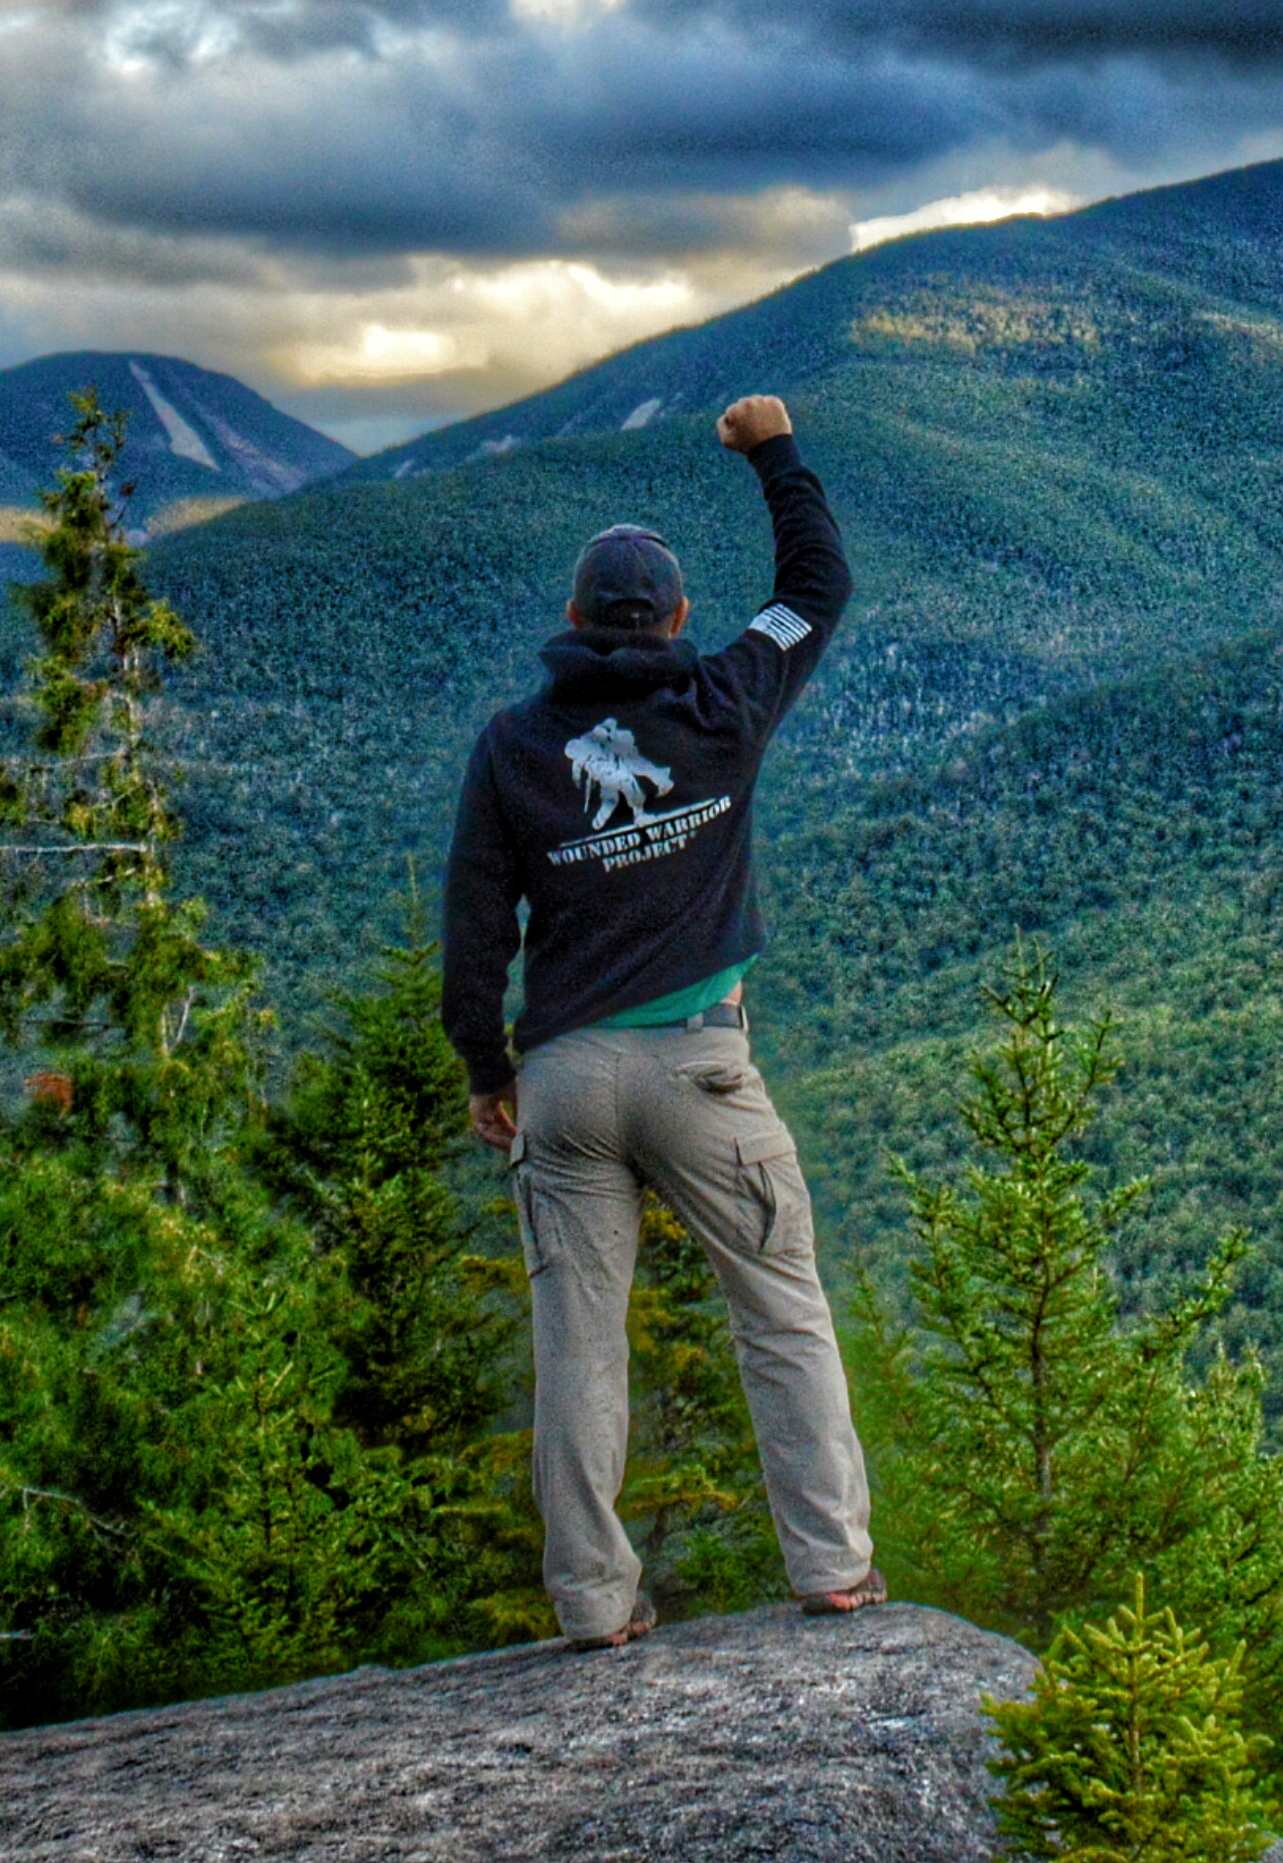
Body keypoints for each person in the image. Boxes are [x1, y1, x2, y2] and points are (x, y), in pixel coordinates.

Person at [439, 391, 883, 1648]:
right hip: (702, 1068)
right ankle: (834, 1571)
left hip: (567, 1081)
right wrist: (777, 450)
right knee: (781, 1305)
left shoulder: (513, 745)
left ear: (574, 622)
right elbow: (820, 580)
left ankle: (591, 1600)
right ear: (681, 620)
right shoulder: (726, 699)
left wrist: (488, 1066)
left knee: (578, 1344)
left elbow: (476, 930)